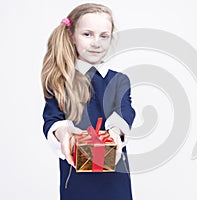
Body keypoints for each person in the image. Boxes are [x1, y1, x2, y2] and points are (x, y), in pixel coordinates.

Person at [41, 3, 135, 200]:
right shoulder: (60, 80)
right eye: (87, 34)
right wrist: (65, 133)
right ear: (71, 36)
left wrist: (115, 133)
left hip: (115, 180)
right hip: (76, 181)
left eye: (104, 36)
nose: (96, 43)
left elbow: (125, 111)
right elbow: (52, 119)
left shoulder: (119, 80)